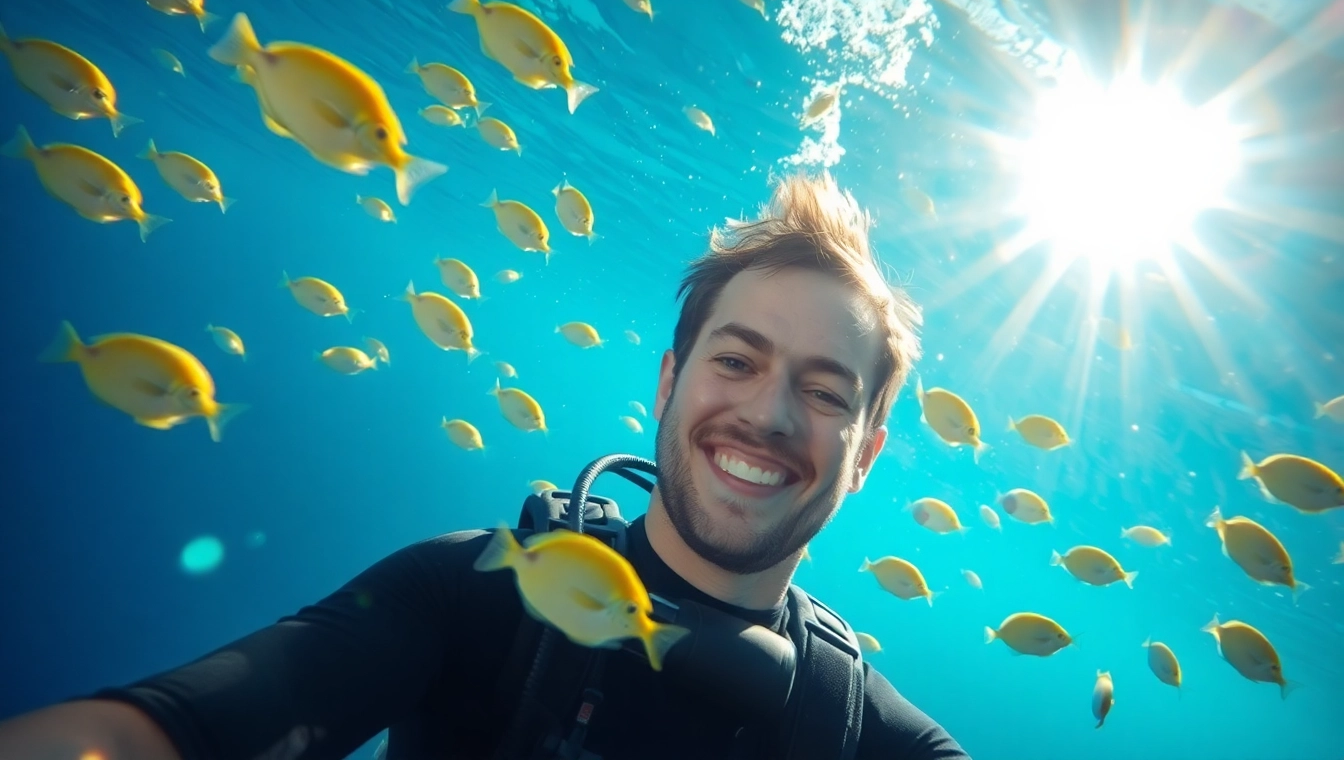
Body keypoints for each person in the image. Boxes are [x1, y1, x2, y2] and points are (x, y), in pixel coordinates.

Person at [0, 172, 969, 760]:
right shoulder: (466, 597)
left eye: (828, 392)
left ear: (866, 456)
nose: (766, 413)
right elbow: (157, 736)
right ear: (669, 381)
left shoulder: (868, 737)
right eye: (736, 360)